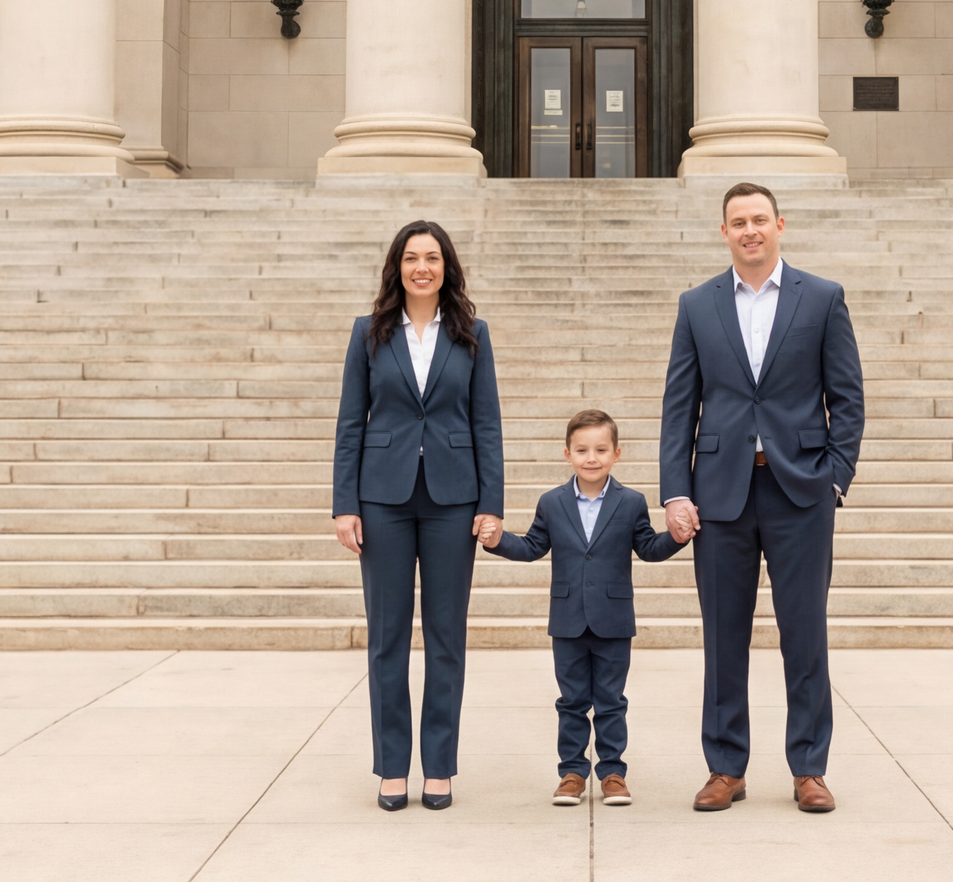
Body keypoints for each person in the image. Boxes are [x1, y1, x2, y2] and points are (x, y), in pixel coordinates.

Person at [658, 179, 865, 815]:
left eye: (759, 220)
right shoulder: (698, 305)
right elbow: (679, 408)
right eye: (737, 222)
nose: (749, 230)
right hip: (720, 497)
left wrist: (833, 476)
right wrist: (674, 492)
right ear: (724, 232)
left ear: (780, 224)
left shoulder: (822, 299)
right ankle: (726, 767)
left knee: (805, 634)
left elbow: (848, 399)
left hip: (800, 492)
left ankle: (809, 769)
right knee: (724, 637)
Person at [332, 219, 504, 810]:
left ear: (446, 267)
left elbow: (487, 425)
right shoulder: (369, 333)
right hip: (383, 497)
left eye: (432, 258)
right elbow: (351, 423)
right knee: (387, 638)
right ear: (397, 267)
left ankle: (439, 766)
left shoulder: (471, 333)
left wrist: (491, 504)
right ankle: (390, 766)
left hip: (453, 500)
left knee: (446, 637)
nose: (422, 268)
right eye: (411, 258)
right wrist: (344, 505)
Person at [484, 406, 683, 806]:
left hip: (613, 620)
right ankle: (572, 773)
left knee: (611, 701)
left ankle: (612, 773)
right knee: (571, 701)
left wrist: (677, 536)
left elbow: (647, 548)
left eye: (601, 450)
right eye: (582, 450)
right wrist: (498, 540)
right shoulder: (552, 502)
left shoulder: (631, 503)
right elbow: (532, 547)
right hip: (568, 619)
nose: (591, 458)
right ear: (567, 454)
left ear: (616, 454)